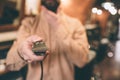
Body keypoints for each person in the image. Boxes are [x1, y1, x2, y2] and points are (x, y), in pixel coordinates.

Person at [6, 0, 89, 80]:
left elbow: (82, 60)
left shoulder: (75, 24)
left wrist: (59, 28)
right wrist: (22, 51)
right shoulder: (28, 24)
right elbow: (10, 63)